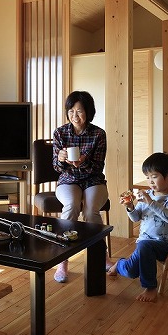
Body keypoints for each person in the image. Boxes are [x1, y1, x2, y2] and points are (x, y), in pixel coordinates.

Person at [106, 152, 168, 302]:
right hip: (144, 244)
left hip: (166, 245)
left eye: (154, 176)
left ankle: (150, 287)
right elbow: (136, 218)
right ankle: (120, 264)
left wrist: (151, 202)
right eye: (147, 177)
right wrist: (129, 207)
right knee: (130, 271)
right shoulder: (147, 195)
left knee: (145, 246)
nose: (150, 181)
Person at [51, 90, 108, 283]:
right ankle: (62, 260)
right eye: (71, 111)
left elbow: (98, 167)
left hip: (93, 180)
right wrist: (60, 158)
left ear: (89, 112)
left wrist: (82, 162)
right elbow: (57, 169)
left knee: (91, 211)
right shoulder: (60, 133)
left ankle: (101, 256)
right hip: (68, 179)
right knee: (71, 206)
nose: (75, 116)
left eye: (80, 111)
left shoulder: (98, 134)